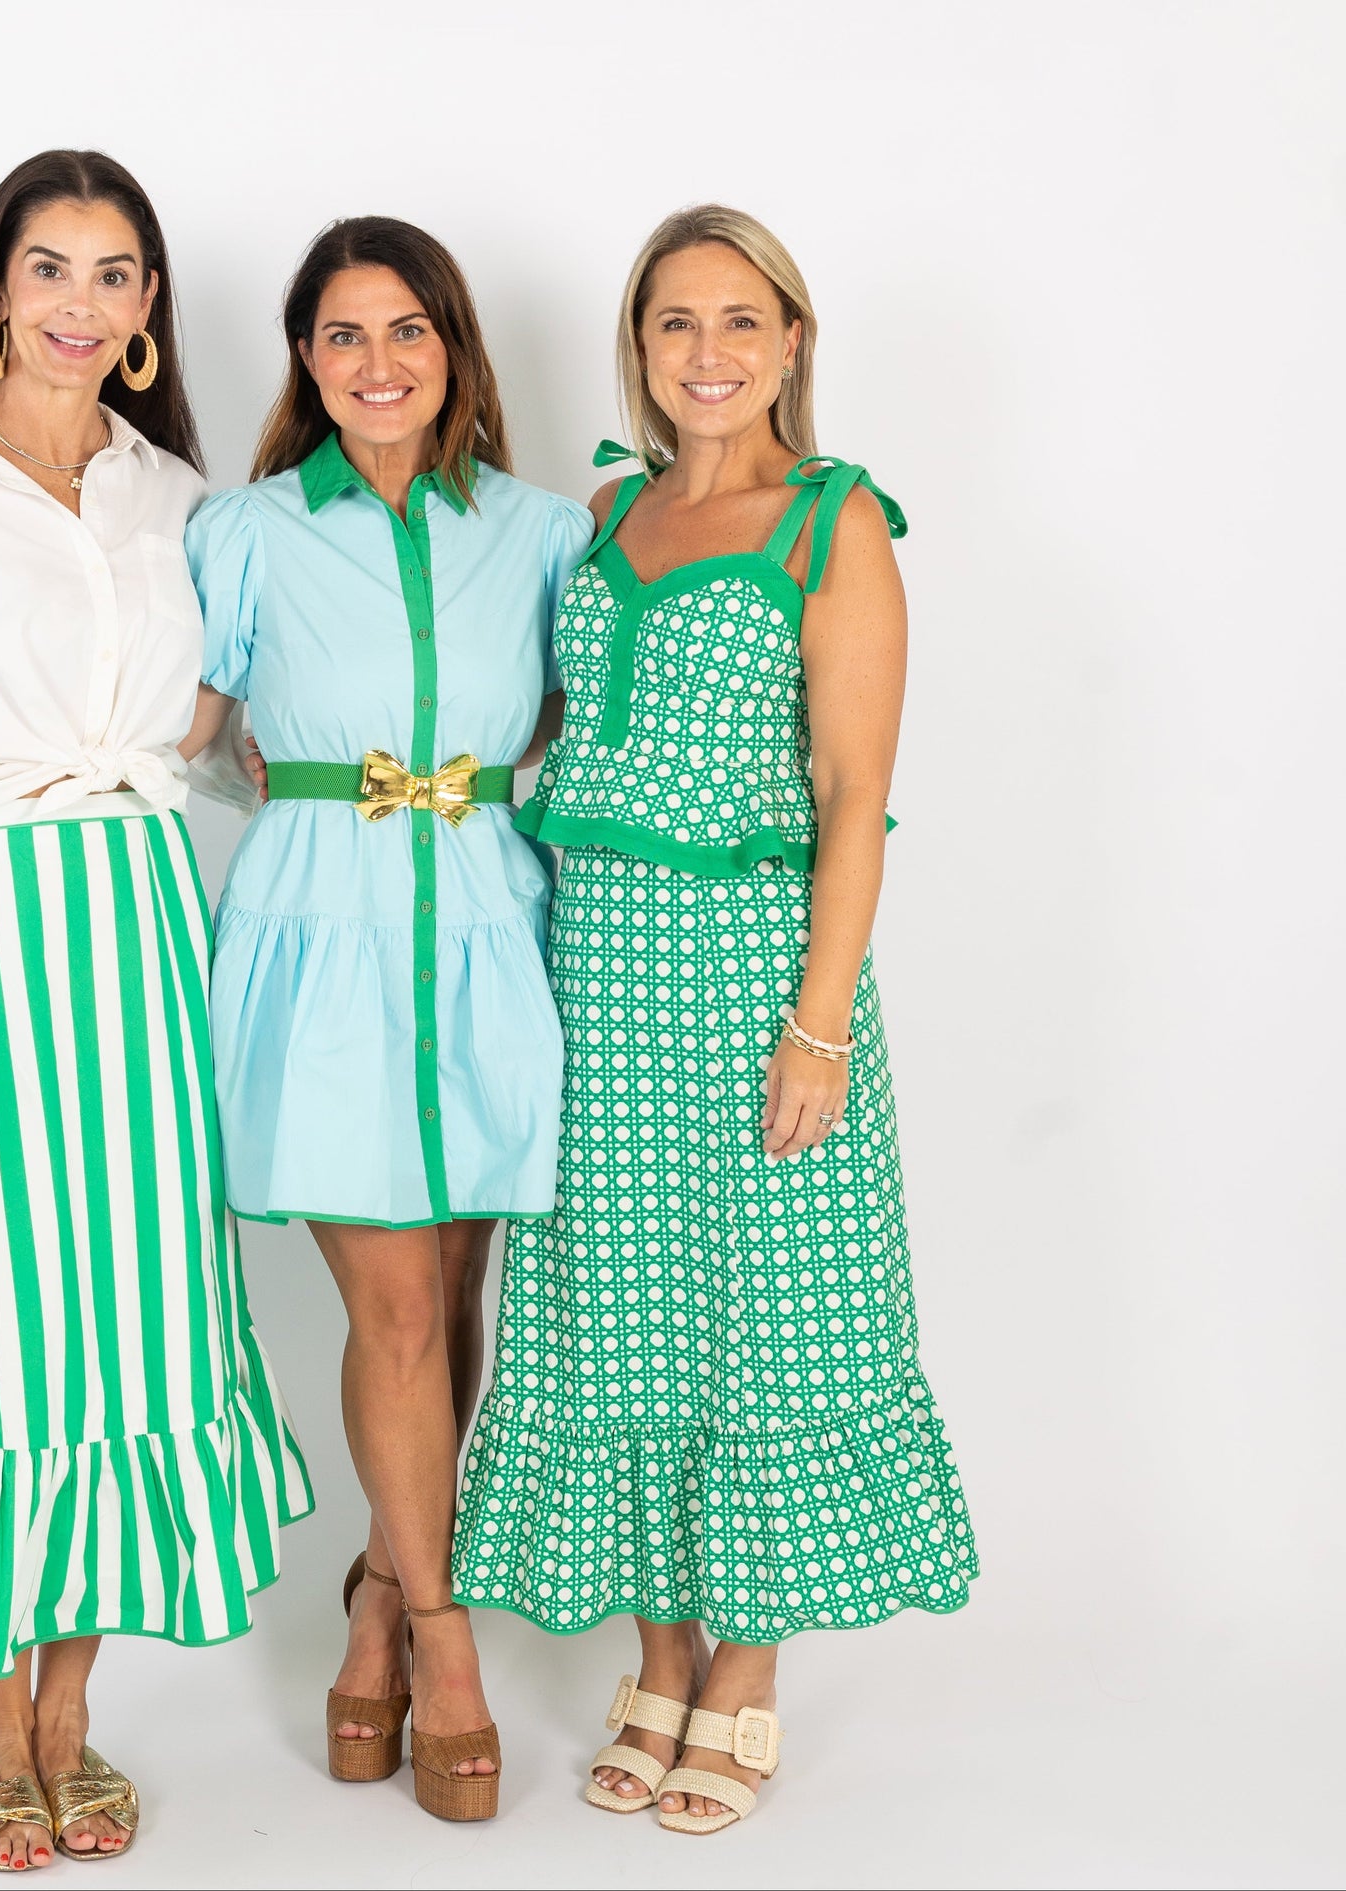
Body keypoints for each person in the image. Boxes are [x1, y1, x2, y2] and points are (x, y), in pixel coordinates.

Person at [0, 148, 310, 1871]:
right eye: (48, 267)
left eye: (113, 274)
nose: (78, 305)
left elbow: (225, 739)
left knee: (141, 1323)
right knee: (0, 1332)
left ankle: (69, 1708)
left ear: (149, 310)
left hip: (147, 929)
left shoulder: (184, 500)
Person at [451, 204, 979, 1835]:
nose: (708, 353)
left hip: (754, 969)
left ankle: (740, 1679)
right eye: (675, 323)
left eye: (740, 320)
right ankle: (657, 1658)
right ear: (640, 347)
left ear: (794, 340)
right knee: (620, 1303)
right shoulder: (603, 518)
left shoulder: (834, 523)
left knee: (764, 1304)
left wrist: (818, 1026)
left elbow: (856, 789)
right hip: (592, 963)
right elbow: (530, 720)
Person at [186, 216, 590, 1823]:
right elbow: (189, 737)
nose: (378, 363)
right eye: (343, 335)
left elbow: (578, 717)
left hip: (493, 931)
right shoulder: (247, 530)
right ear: (304, 359)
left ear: (456, 347)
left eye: (407, 329)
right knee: (400, 1313)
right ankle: (438, 1633)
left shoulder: (552, 531)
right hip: (322, 940)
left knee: (459, 1293)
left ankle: (371, 1583)